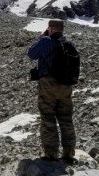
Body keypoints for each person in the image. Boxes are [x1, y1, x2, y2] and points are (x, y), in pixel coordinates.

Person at [27, 20, 77, 164]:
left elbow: (31, 54)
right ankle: (69, 153)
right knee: (66, 119)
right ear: (62, 29)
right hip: (66, 86)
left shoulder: (46, 41)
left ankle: (51, 153)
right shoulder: (69, 44)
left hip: (48, 85)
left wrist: (42, 38)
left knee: (48, 118)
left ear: (50, 28)